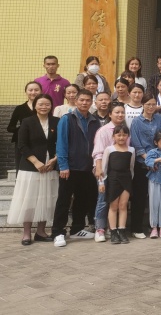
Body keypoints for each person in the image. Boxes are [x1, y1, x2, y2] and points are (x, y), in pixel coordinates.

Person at [51, 88, 101, 247]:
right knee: (64, 200)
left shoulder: (95, 120)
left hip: (87, 168)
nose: (84, 103)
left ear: (91, 102)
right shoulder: (67, 119)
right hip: (69, 168)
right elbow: (61, 143)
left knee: (82, 199)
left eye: (88, 100)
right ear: (76, 101)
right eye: (82, 100)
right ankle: (58, 232)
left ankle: (77, 228)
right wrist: (63, 165)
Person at [6, 94, 58, 245]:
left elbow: (61, 142)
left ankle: (41, 232)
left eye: (47, 104)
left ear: (51, 106)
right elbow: (22, 145)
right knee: (29, 200)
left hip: (50, 166)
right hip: (30, 167)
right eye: (40, 104)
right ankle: (27, 233)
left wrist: (54, 160)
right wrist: (36, 162)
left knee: (46, 199)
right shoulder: (27, 121)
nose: (44, 107)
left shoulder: (57, 121)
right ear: (35, 105)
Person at [129, 93, 161, 239]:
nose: (151, 107)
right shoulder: (136, 122)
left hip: (160, 165)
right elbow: (137, 145)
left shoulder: (159, 119)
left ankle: (158, 226)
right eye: (147, 104)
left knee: (158, 197)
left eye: (153, 104)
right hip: (143, 164)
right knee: (139, 196)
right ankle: (136, 228)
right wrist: (151, 161)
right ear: (142, 105)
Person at [92, 101, 129, 243]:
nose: (120, 115)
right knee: (103, 200)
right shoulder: (103, 131)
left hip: (120, 172)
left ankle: (115, 228)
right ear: (110, 114)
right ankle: (100, 229)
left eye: (122, 112)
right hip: (104, 170)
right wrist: (99, 170)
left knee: (118, 202)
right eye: (117, 112)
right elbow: (98, 153)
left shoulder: (125, 130)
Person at [101, 125, 135, 244]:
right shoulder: (109, 149)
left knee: (123, 205)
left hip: (126, 179)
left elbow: (131, 167)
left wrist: (130, 180)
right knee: (113, 206)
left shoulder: (131, 150)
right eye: (118, 135)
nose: (121, 137)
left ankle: (122, 230)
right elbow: (104, 168)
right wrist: (101, 182)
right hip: (113, 179)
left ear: (128, 136)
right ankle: (113, 231)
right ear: (113, 136)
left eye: (124, 135)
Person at [7, 81, 43, 170]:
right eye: (30, 90)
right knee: (20, 167)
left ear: (41, 91)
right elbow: (10, 127)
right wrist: (22, 130)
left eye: (36, 90)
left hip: (40, 141)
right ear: (26, 92)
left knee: (39, 166)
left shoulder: (44, 107)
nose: (33, 92)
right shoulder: (19, 108)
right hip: (22, 141)